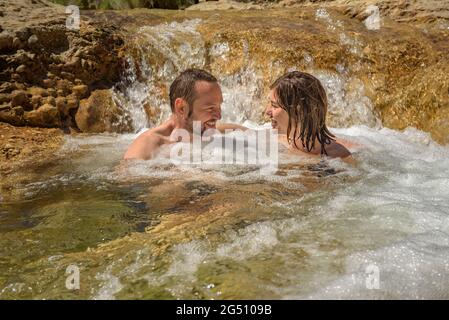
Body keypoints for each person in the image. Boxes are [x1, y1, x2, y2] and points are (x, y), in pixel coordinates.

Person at [123, 68, 244, 160]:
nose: (219, 116)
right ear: (181, 108)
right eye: (210, 108)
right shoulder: (148, 145)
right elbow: (126, 184)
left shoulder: (202, 130)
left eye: (219, 107)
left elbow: (233, 129)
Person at [265, 71, 353, 158]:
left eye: (274, 105)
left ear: (299, 111)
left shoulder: (338, 158)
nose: (267, 112)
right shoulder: (276, 141)